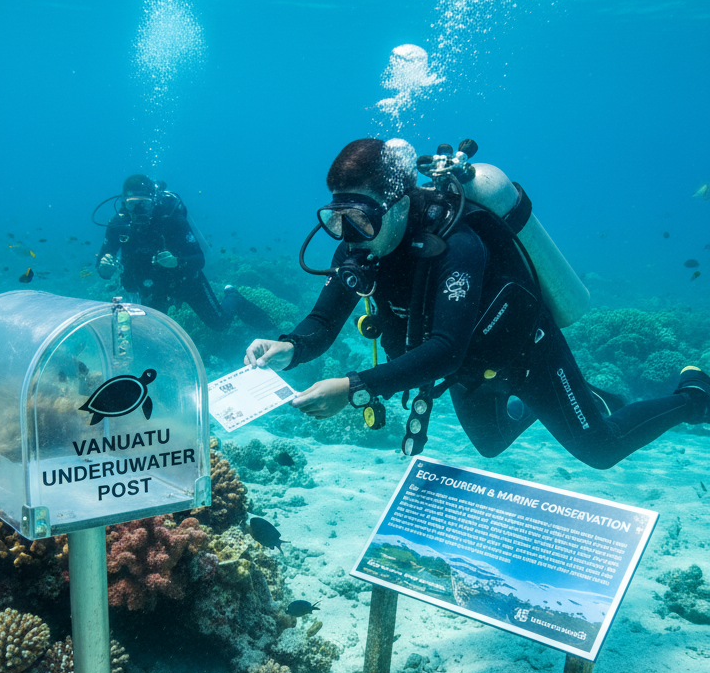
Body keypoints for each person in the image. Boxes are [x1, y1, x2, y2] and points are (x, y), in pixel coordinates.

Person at [244, 137, 710, 470]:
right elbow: (324, 320)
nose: (348, 235)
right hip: (465, 371)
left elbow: (446, 346)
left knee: (602, 449)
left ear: (401, 206)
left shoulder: (457, 245)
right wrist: (290, 347)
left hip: (527, 354)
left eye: (360, 219)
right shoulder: (358, 245)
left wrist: (353, 386)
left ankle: (692, 396)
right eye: (336, 218)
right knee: (489, 445)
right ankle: (583, 397)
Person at [96, 175, 275, 334]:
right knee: (149, 332)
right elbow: (103, 267)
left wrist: (176, 262)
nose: (138, 210)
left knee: (220, 324)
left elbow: (199, 259)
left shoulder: (170, 218)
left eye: (144, 203)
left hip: (187, 281)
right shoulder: (117, 225)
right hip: (151, 287)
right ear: (123, 202)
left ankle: (233, 297)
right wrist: (105, 268)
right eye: (132, 204)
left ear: (153, 200)